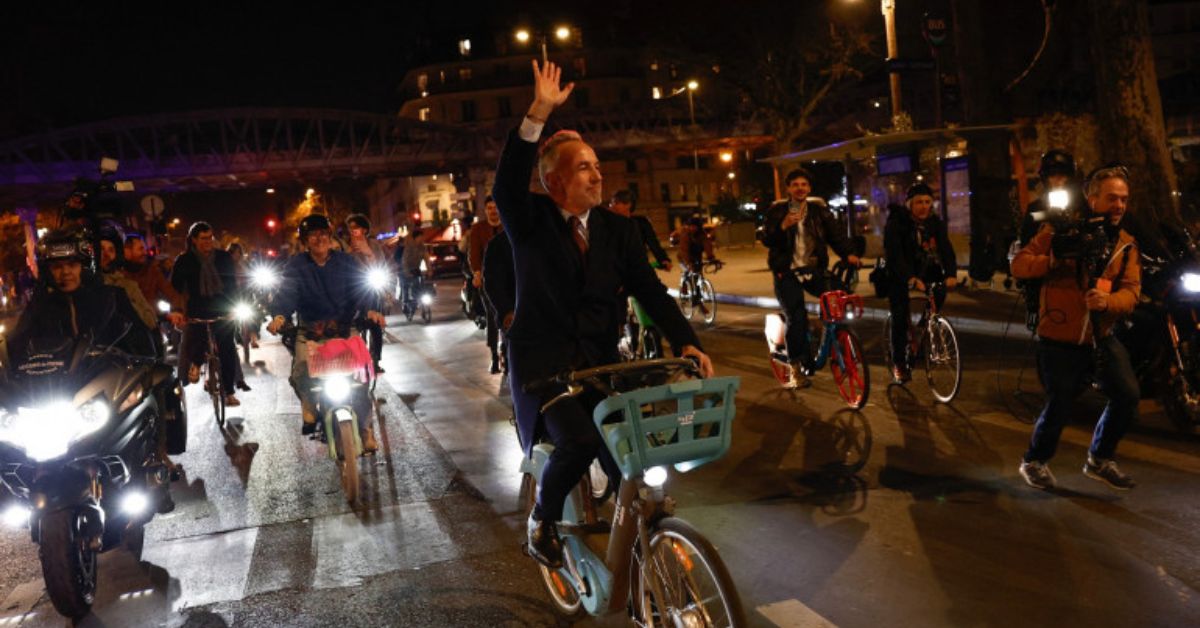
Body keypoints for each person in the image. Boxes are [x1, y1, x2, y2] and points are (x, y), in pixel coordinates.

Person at [494, 60, 714, 568]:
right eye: (584, 168)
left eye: (597, 164)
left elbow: (650, 292)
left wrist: (688, 342)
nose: (597, 174)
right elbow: (507, 184)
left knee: (632, 451)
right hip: (543, 368)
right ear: (553, 183)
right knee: (580, 438)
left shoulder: (620, 230)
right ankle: (542, 520)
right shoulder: (531, 222)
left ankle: (644, 545)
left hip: (598, 360)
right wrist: (538, 113)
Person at [1011, 166, 1141, 491]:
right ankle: (1034, 461)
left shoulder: (1126, 244)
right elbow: (1020, 264)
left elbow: (1131, 291)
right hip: (1060, 336)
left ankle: (1100, 459)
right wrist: (1051, 262)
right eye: (1112, 198)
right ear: (1092, 197)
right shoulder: (1060, 231)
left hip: (1101, 336)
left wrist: (1108, 302)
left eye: (1124, 199)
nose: (1119, 206)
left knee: (1127, 395)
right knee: (1061, 403)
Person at [266, 214, 386, 451]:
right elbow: (287, 293)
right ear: (305, 240)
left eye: (323, 233)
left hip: (344, 329)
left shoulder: (346, 262)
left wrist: (372, 309)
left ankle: (365, 429)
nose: (319, 239)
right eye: (313, 235)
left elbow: (361, 288)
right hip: (309, 332)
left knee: (360, 378)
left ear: (330, 237)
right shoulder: (296, 265)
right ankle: (309, 404)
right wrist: (279, 315)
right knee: (301, 368)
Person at [760, 168, 861, 388]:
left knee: (842, 294)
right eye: (795, 184)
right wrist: (783, 225)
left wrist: (849, 254)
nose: (800, 188)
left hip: (813, 269)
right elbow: (766, 238)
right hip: (786, 272)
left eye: (804, 184)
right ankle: (796, 367)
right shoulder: (777, 211)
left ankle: (834, 337)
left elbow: (836, 235)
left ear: (809, 188)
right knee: (796, 316)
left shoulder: (818, 212)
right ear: (788, 189)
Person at [8, 229, 157, 367]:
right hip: (57, 387)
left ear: (85, 267)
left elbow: (142, 346)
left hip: (107, 388)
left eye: (72, 265)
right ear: (47, 272)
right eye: (57, 267)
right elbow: (16, 347)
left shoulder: (112, 298)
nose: (65, 272)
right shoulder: (39, 305)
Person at [883, 183, 958, 383]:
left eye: (927, 202)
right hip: (900, 273)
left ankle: (923, 326)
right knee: (899, 316)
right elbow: (895, 255)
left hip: (926, 271)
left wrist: (951, 274)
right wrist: (910, 278)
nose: (924, 206)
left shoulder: (935, 223)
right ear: (909, 204)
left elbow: (946, 248)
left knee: (939, 292)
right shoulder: (896, 223)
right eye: (918, 202)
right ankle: (899, 363)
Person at [170, 221, 244, 406]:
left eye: (210, 237)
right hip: (197, 308)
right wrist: (177, 310)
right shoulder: (184, 260)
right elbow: (175, 289)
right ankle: (195, 363)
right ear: (194, 240)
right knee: (196, 338)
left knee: (227, 349)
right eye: (203, 238)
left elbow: (232, 285)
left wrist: (236, 306)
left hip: (223, 308)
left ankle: (229, 392)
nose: (208, 242)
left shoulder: (223, 258)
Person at [344, 213, 388, 374]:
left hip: (373, 286)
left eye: (356, 227)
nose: (353, 231)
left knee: (376, 327)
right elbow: (343, 266)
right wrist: (349, 253)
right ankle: (359, 357)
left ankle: (375, 360)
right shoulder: (346, 246)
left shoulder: (374, 245)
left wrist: (368, 252)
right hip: (356, 289)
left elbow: (382, 263)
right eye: (350, 228)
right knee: (356, 326)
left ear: (364, 229)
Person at [95, 222, 159, 331]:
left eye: (111, 250)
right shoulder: (81, 284)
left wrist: (128, 305)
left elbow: (150, 321)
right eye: (101, 249)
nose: (106, 254)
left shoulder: (127, 286)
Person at [469, 196, 506, 373]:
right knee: (492, 317)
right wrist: (477, 271)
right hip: (488, 281)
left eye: (495, 207)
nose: (493, 211)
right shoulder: (478, 229)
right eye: (489, 208)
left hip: (509, 280)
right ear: (485, 211)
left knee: (510, 316)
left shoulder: (508, 224)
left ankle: (507, 353)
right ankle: (494, 356)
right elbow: (474, 254)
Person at [124, 233, 186, 331]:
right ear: (127, 252)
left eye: (144, 248)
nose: (145, 252)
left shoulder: (152, 270)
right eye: (140, 249)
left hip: (153, 322)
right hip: (129, 328)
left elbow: (170, 292)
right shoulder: (120, 276)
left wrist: (177, 310)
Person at [609, 190, 671, 270]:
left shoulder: (641, 222)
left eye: (615, 203)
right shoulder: (609, 223)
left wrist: (663, 259)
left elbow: (653, 243)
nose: (611, 206)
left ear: (628, 205)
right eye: (611, 203)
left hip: (638, 268)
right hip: (616, 270)